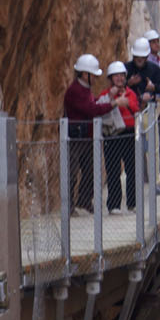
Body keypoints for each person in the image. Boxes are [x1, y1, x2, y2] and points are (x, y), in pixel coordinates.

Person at [63, 54, 116, 215]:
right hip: (76, 137)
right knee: (72, 172)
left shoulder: (84, 90)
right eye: (93, 75)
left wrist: (106, 100)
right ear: (85, 74)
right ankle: (70, 206)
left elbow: (91, 105)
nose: (95, 78)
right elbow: (91, 109)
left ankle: (84, 201)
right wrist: (112, 104)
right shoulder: (75, 91)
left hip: (85, 136)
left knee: (90, 170)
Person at [98, 61, 140, 214]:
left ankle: (132, 203)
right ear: (111, 78)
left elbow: (137, 109)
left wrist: (127, 103)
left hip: (128, 133)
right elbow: (100, 108)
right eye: (116, 76)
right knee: (113, 170)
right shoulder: (105, 95)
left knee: (132, 169)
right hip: (112, 134)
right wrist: (112, 98)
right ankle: (114, 205)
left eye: (122, 75)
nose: (120, 78)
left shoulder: (131, 94)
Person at [128, 37, 160, 182]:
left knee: (153, 148)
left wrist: (152, 88)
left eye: (142, 57)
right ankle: (136, 180)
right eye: (137, 57)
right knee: (133, 149)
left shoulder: (154, 69)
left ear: (146, 56)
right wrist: (130, 83)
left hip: (149, 111)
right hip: (131, 114)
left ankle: (155, 180)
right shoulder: (127, 69)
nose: (139, 60)